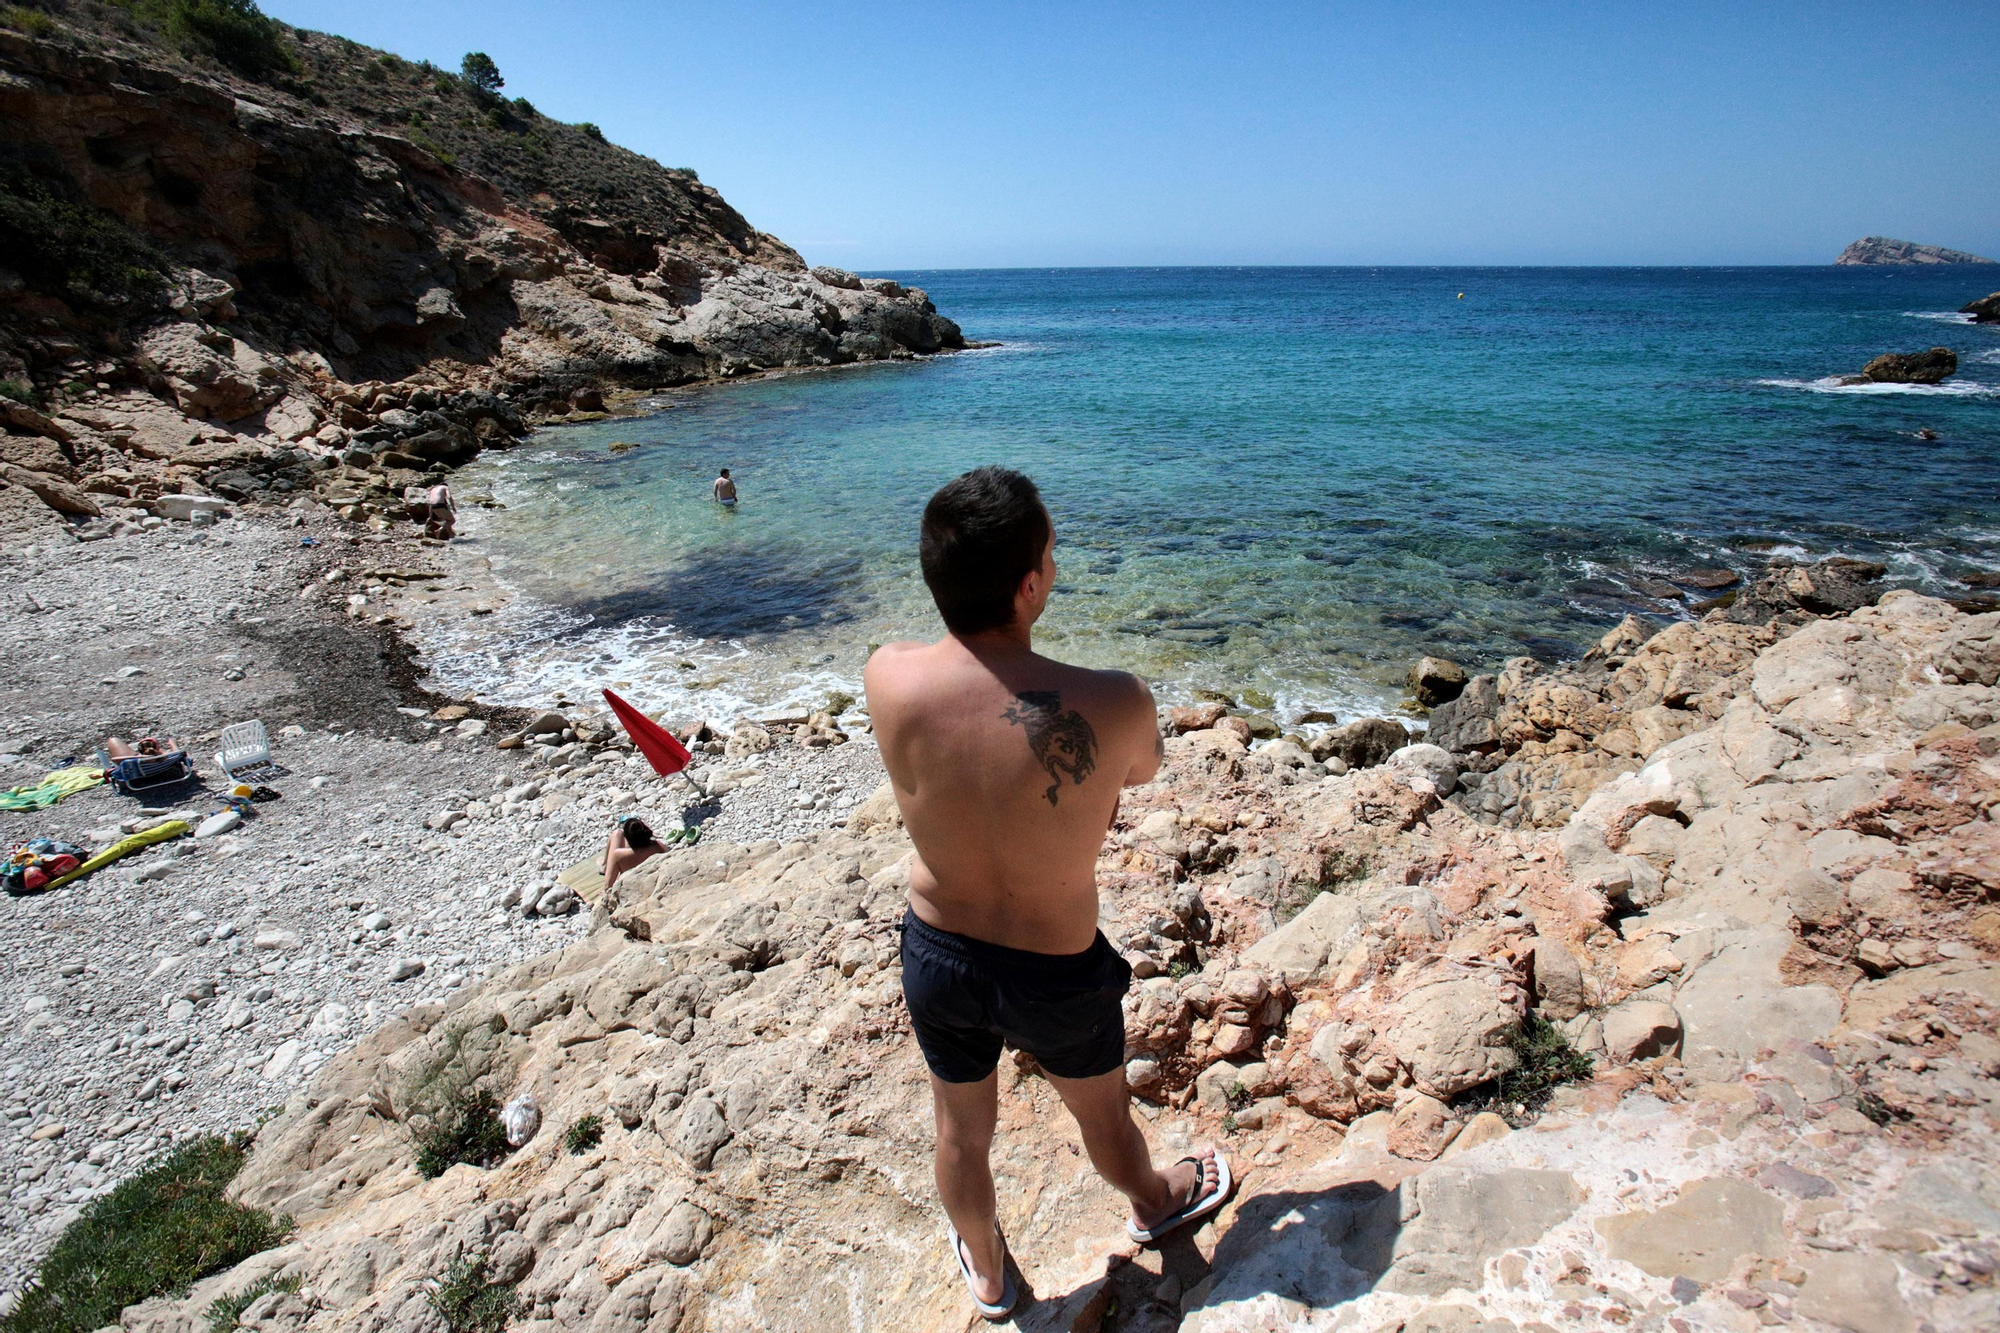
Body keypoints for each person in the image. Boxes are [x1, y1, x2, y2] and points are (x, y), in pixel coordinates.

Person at [864, 466, 1230, 1321]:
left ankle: (988, 1272)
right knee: (1105, 1116)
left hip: (940, 951)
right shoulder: (1115, 700)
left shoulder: (889, 678)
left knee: (961, 1128)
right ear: (1031, 583)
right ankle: (1153, 1199)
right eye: (1052, 554)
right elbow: (1140, 770)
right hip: (1058, 968)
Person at [599, 816, 664, 891]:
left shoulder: (618, 854)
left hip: (628, 883)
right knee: (618, 833)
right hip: (649, 879)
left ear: (627, 838)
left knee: (617, 833)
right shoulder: (658, 846)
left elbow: (608, 887)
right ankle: (604, 865)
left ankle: (604, 866)